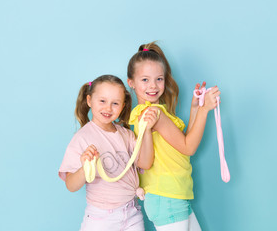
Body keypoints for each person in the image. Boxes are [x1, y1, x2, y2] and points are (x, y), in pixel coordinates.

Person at [127, 42, 221, 230]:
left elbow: (182, 144)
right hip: (166, 197)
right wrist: (205, 111)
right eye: (145, 80)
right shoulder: (154, 113)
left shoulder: (151, 112)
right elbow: (189, 147)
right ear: (131, 82)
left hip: (173, 195)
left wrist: (195, 108)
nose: (153, 86)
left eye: (159, 79)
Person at [58, 74, 159, 231]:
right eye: (102, 101)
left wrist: (147, 131)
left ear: (123, 106)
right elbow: (70, 185)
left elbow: (145, 163)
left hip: (132, 212)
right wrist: (85, 168)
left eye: (115, 103)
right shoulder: (82, 138)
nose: (108, 108)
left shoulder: (126, 134)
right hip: (101, 218)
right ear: (89, 100)